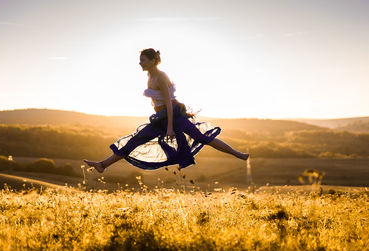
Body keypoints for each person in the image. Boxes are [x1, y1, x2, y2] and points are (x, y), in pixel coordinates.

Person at [83, 48, 249, 173]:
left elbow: (169, 104)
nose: (140, 63)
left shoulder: (160, 77)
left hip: (173, 116)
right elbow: (159, 101)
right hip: (161, 118)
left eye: (143, 60)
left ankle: (237, 154)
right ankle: (103, 165)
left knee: (201, 137)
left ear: (152, 61)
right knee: (136, 140)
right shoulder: (150, 76)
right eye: (139, 60)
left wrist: (170, 127)